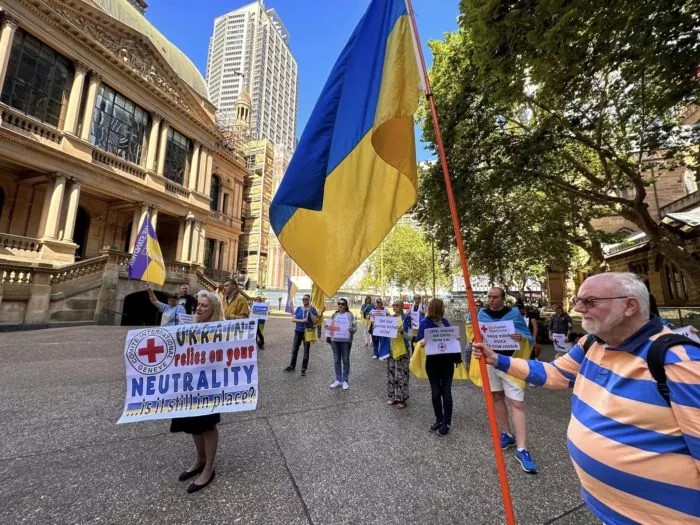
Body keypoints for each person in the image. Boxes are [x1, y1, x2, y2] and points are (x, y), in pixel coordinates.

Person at [473, 272, 700, 523]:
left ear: (630, 305)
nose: (578, 308)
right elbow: (555, 372)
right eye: (578, 300)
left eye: (590, 301)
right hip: (608, 511)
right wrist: (497, 359)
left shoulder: (681, 361)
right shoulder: (591, 343)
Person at [171, 290, 225, 493]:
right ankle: (200, 460)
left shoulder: (220, 329)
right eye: (198, 304)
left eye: (204, 305)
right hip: (189, 384)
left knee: (208, 425)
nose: (199, 308)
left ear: (214, 309)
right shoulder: (188, 325)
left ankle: (209, 468)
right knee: (193, 424)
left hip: (209, 385)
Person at [479, 287, 537, 473]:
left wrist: (521, 338)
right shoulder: (482, 313)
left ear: (503, 299)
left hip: (511, 363)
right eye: (489, 297)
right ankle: (506, 433)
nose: (491, 300)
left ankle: (522, 448)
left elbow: (527, 336)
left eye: (495, 297)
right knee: (497, 396)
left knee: (517, 403)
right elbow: (477, 335)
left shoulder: (513, 314)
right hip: (490, 362)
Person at [416, 298, 460, 436]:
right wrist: (421, 343)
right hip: (433, 363)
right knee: (435, 392)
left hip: (447, 362)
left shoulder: (446, 322)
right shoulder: (425, 323)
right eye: (442, 307)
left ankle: (447, 422)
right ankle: (439, 419)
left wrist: (456, 339)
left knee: (446, 392)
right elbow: (418, 340)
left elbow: (452, 339)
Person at [386, 300, 412, 408]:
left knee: (402, 375)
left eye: (397, 305)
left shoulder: (407, 319)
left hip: (403, 351)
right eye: (394, 305)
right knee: (391, 374)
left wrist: (403, 332)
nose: (395, 307)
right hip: (391, 350)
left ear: (402, 307)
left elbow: (410, 337)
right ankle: (393, 396)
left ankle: (401, 399)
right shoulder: (389, 319)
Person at [284, 293, 318, 376]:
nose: (304, 300)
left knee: (306, 350)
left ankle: (303, 368)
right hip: (298, 331)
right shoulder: (299, 308)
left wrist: (311, 313)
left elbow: (315, 321)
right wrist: (302, 321)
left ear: (309, 300)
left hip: (307, 332)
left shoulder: (312, 309)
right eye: (303, 299)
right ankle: (292, 366)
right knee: (294, 349)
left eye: (306, 299)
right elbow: (293, 319)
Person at [328, 297, 356, 390]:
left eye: (343, 304)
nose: (340, 305)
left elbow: (354, 327)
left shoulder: (350, 315)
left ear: (346, 305)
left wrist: (352, 330)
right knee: (336, 360)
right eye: (339, 304)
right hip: (335, 340)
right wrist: (327, 329)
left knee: (345, 360)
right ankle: (338, 379)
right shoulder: (334, 315)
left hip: (345, 341)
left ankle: (345, 381)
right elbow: (330, 326)